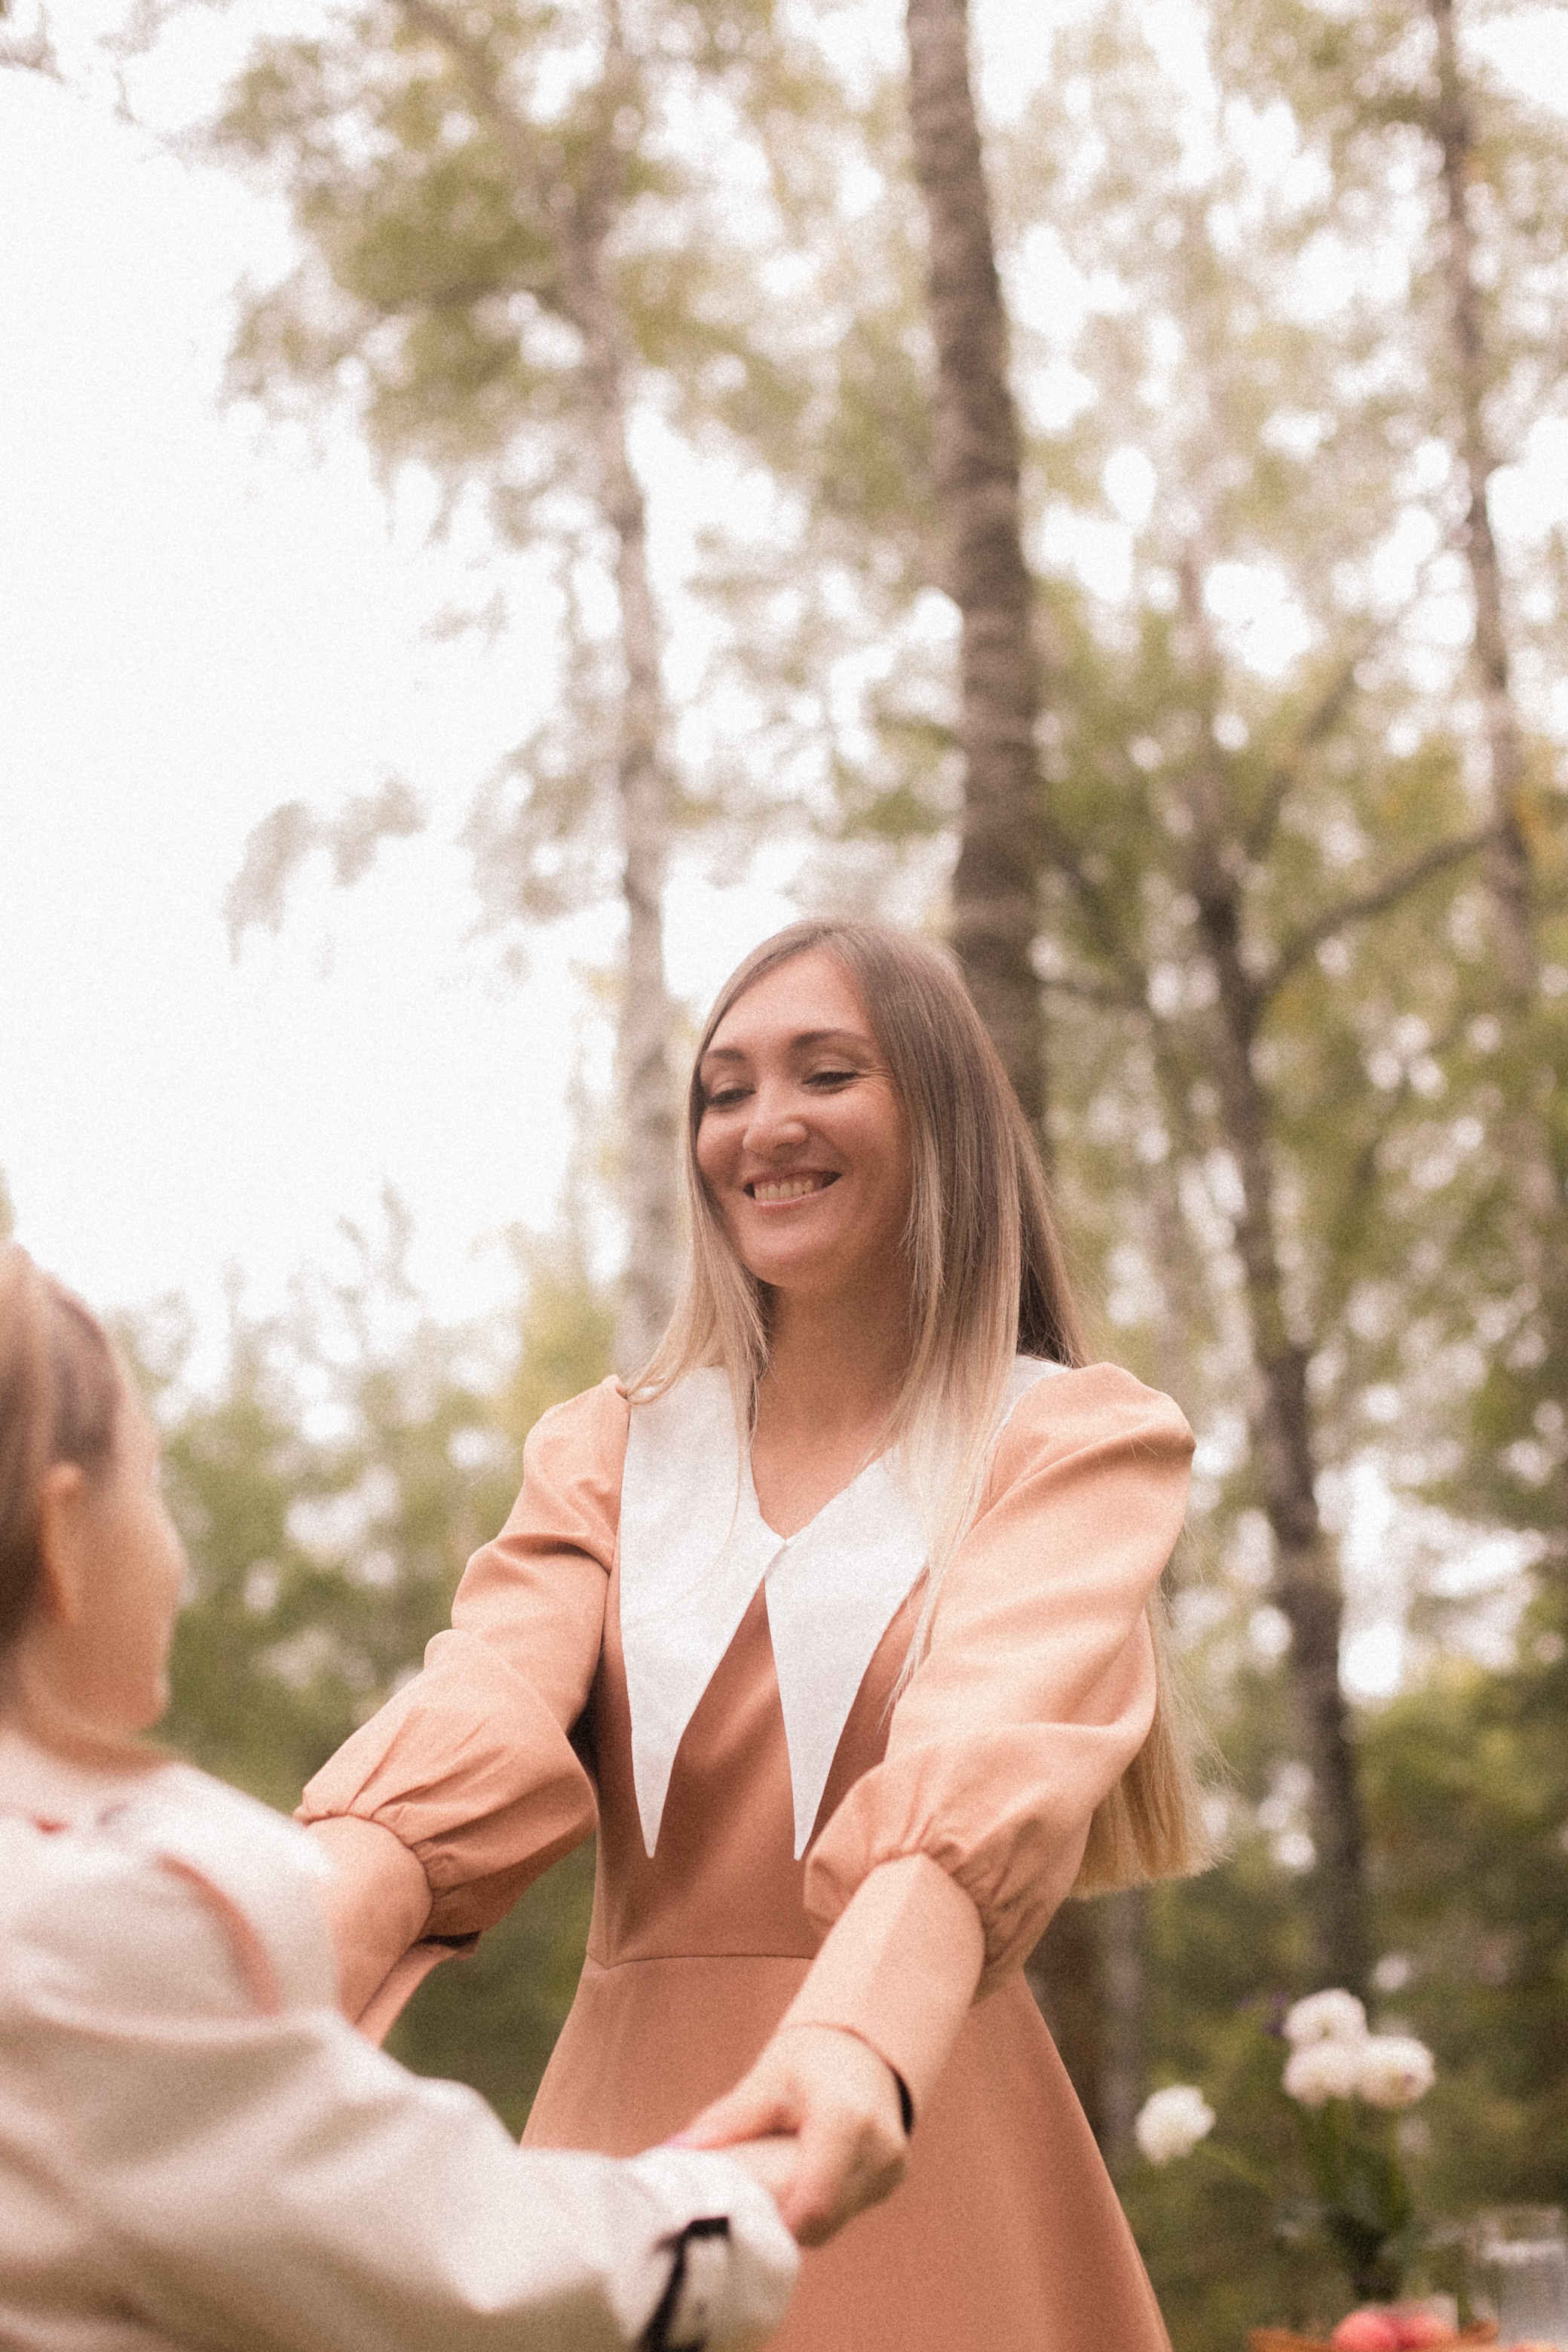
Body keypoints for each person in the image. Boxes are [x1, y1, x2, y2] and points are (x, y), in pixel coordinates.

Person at [300, 918, 1211, 2352]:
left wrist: (851, 2048)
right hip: (624, 2152)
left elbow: (989, 1754)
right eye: (724, 1090)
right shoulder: (606, 1450)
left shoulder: (1071, 1443)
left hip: (917, 2126)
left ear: (941, 1116)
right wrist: (261, 1949)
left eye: (825, 1073)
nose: (764, 1125)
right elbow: (475, 1720)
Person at [0, 1244, 799, 2352]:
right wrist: (759, 2199)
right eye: (155, 1480)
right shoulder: (85, 1936)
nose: (174, 1552)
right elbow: (472, 2264)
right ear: (61, 1533)